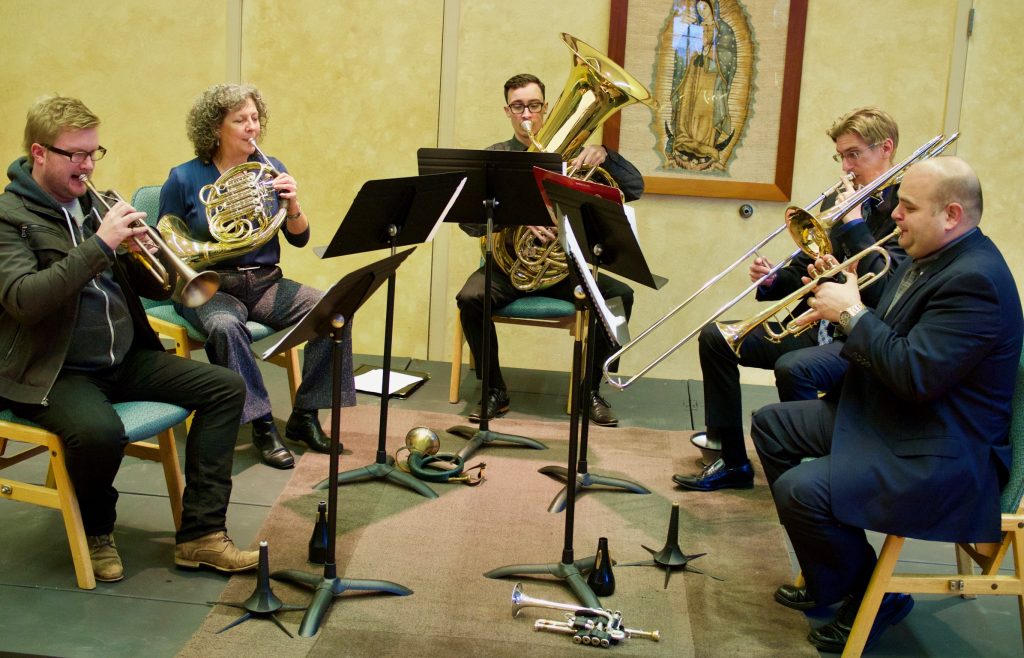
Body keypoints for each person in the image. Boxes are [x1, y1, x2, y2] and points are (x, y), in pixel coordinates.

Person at [751, 156, 1022, 653]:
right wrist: (843, 288)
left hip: (941, 448)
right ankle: (837, 572)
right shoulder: (930, 256)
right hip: (900, 418)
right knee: (772, 426)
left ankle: (870, 595)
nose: (893, 214)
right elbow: (893, 328)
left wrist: (852, 314)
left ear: (951, 215)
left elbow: (915, 374)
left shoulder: (975, 281)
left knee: (801, 489)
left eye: (908, 207)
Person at [0, 94, 259, 581]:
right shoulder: (8, 219)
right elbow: (25, 300)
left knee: (226, 388)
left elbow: (141, 288)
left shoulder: (96, 203)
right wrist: (101, 246)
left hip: (123, 356)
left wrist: (146, 257)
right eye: (75, 154)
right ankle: (98, 530)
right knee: (99, 432)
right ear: (39, 153)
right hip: (55, 368)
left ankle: (201, 536)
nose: (87, 166)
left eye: (94, 153)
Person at [675, 107, 907, 491]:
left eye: (854, 155)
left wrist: (853, 225)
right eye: (841, 156)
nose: (846, 167)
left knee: (793, 365)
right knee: (716, 338)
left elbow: (886, 286)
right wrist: (770, 280)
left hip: (859, 338)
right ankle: (731, 460)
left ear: (885, 148)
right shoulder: (842, 197)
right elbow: (806, 261)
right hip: (813, 324)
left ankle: (800, 479)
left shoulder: (904, 203)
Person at [160, 83, 354, 470]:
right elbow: (166, 244)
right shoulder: (183, 178)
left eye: (255, 118)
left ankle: (306, 414)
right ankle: (262, 423)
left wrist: (293, 203)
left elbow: (300, 239)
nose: (252, 127)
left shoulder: (270, 169)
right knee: (226, 327)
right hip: (213, 285)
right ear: (216, 128)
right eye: (240, 120)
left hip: (266, 282)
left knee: (335, 309)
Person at [456, 73, 643, 427]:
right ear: (507, 111)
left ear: (547, 107)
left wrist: (606, 156)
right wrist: (516, 215)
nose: (527, 114)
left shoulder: (574, 156)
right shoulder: (495, 158)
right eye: (518, 106)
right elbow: (469, 223)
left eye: (534, 105)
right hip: (507, 267)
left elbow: (634, 187)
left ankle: (591, 390)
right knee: (470, 298)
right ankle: (494, 389)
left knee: (621, 297)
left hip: (562, 268)